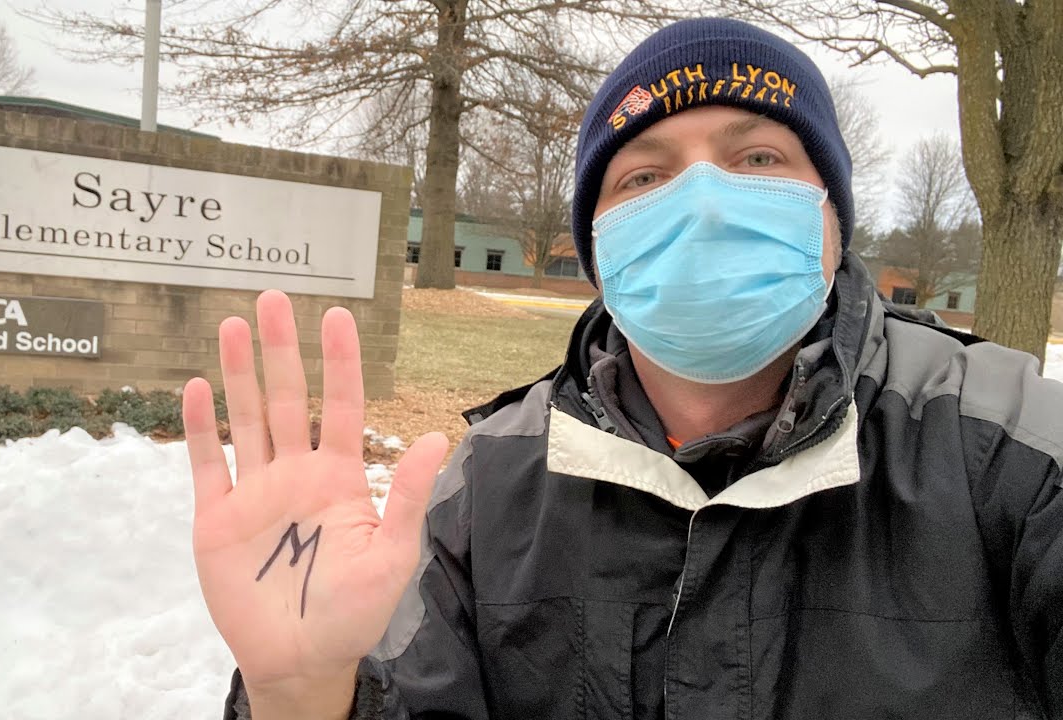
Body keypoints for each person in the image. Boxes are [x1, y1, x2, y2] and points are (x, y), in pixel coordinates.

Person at [180, 17, 1063, 720]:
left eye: (758, 158)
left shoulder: (1013, 452)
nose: (704, 201)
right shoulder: (493, 481)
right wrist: (305, 698)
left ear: (832, 216)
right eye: (644, 177)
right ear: (599, 250)